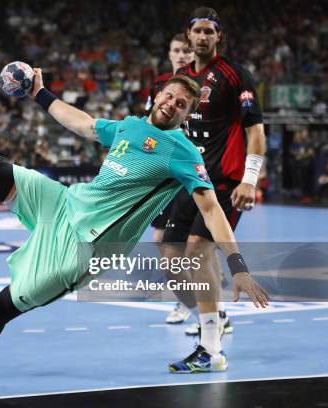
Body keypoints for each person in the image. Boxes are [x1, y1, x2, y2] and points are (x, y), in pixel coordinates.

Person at [0, 69, 268, 386]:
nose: (172, 104)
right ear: (157, 96)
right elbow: (80, 122)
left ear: (187, 114)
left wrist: (238, 264)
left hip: (86, 247)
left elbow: (211, 209)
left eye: (183, 105)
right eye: (170, 96)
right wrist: (41, 93)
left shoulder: (182, 152)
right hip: (64, 204)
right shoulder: (130, 127)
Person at [161, 7, 268, 372]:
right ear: (187, 36)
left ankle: (211, 350)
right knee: (172, 260)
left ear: (218, 36)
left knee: (197, 253)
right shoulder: (181, 77)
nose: (203, 37)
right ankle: (214, 318)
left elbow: (255, 131)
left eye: (210, 31)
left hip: (224, 183)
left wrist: (250, 179)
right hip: (190, 179)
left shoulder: (236, 75)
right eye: (197, 31)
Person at [145, 33, 196, 325]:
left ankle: (210, 308)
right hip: (164, 176)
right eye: (175, 50)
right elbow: (150, 127)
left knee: (192, 246)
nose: (181, 55)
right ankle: (189, 301)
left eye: (185, 50)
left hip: (189, 173)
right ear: (169, 53)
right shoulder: (159, 86)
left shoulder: (202, 89)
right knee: (160, 240)